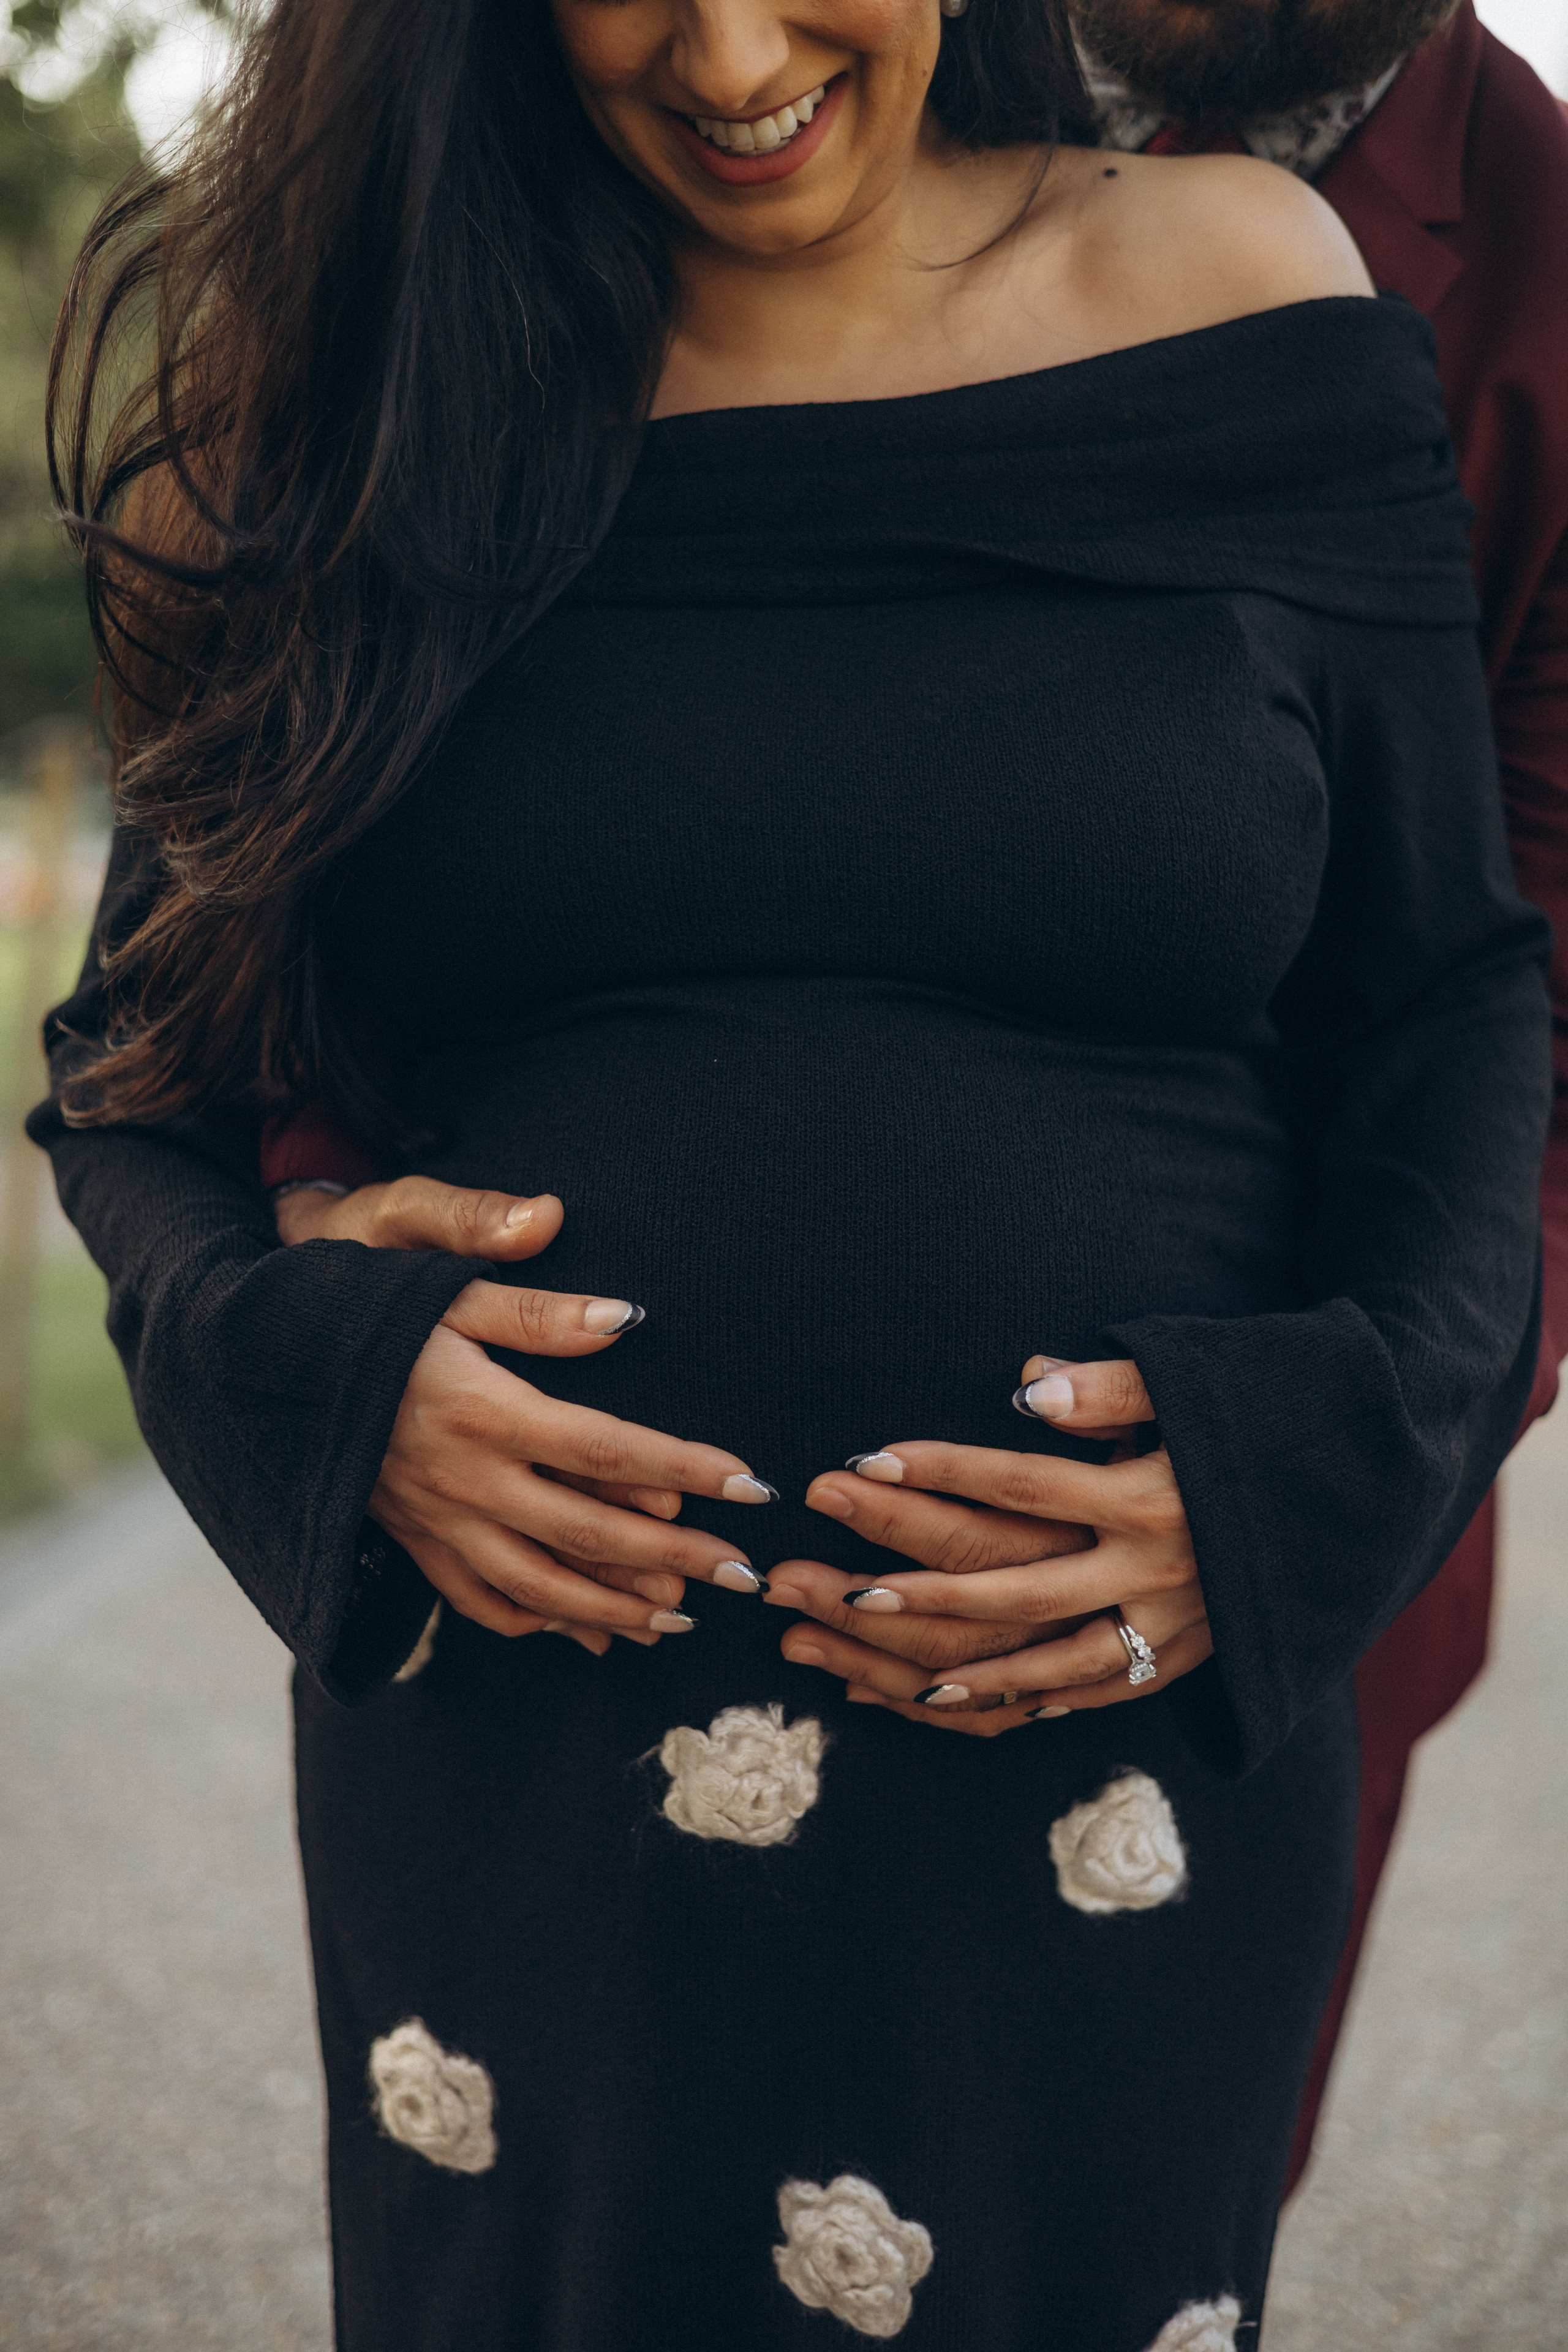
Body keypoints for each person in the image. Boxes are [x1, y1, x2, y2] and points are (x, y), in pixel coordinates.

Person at [31, 0, 1551, 2344]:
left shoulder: (1248, 284)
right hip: (528, 1762)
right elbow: (135, 1084)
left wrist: (1299, 1474)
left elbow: (1453, 997)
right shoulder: (388, 387)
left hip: (1104, 1741)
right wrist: (309, 1377)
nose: (729, 50)